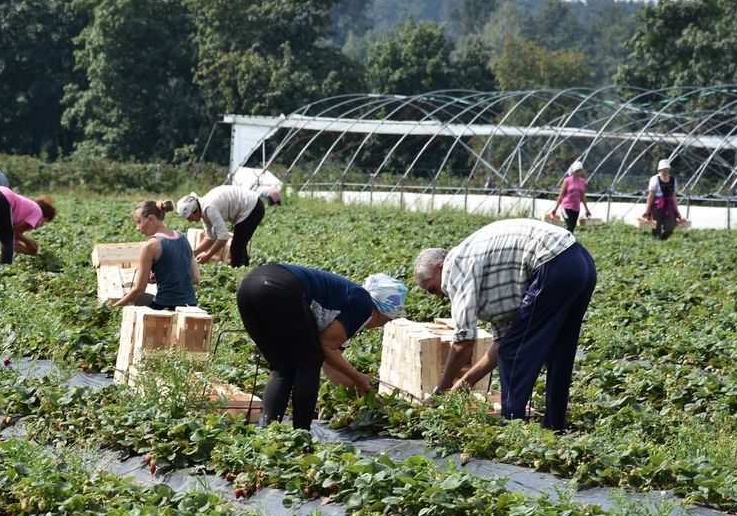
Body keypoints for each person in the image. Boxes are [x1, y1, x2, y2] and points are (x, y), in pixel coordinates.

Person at [413, 219, 596, 433]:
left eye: (433, 288)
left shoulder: (455, 267)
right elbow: (502, 342)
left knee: (513, 353)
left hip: (552, 261)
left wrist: (442, 391)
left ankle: (512, 428)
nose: (439, 297)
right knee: (559, 350)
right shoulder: (483, 272)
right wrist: (463, 385)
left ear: (438, 267)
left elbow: (464, 342)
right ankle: (555, 427)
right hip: (579, 262)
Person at [237, 267, 406, 430]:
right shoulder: (363, 305)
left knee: (283, 368)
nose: (383, 325)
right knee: (309, 362)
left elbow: (331, 364)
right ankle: (301, 433)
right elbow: (325, 347)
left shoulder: (349, 303)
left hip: (248, 286)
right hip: (281, 289)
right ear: (379, 311)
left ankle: (270, 431)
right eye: (387, 319)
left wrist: (363, 391)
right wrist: (358, 377)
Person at [111, 200, 199, 309]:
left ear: (151, 219)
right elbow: (196, 278)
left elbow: (138, 290)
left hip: (166, 306)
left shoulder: (150, 246)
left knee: (140, 298)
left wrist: (113, 309)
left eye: (139, 222)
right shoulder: (183, 238)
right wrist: (163, 276)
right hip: (191, 305)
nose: (137, 228)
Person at [176, 185, 264, 267]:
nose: (189, 221)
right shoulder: (203, 210)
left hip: (252, 207)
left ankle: (240, 273)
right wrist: (194, 253)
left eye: (189, 217)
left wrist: (207, 255)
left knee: (236, 247)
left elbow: (223, 237)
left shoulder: (209, 208)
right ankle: (244, 268)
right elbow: (210, 237)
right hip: (250, 206)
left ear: (195, 210)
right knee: (239, 246)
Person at [0, 185, 55, 264]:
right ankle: (5, 270)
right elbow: (12, 233)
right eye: (43, 223)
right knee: (6, 240)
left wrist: (31, 252)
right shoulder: (38, 212)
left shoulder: (24, 210)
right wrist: (28, 242)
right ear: (45, 218)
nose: (40, 226)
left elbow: (14, 244)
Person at [547, 160, 592, 232]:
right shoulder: (567, 181)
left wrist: (587, 210)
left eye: (580, 171)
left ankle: (568, 241)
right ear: (573, 171)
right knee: (570, 225)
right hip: (566, 207)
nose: (578, 173)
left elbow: (583, 196)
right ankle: (560, 235)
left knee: (572, 228)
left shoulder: (583, 182)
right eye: (576, 171)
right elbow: (561, 194)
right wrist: (555, 209)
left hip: (576, 208)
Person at [643, 159, 682, 240]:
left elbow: (673, 196)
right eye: (664, 170)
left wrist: (676, 210)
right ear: (660, 169)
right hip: (657, 205)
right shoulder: (655, 179)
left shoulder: (672, 180)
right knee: (657, 225)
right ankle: (656, 242)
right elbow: (651, 195)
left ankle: (662, 240)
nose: (666, 171)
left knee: (670, 226)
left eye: (667, 169)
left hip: (669, 205)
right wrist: (647, 210)